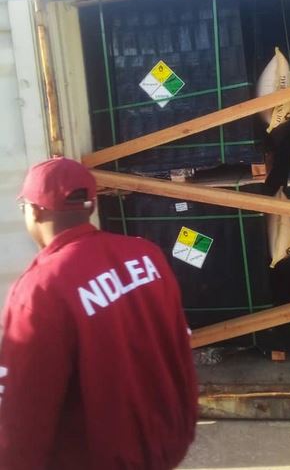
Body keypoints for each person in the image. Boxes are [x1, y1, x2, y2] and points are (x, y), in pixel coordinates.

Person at [0, 157, 198, 470]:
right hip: (163, 448)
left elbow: (23, 416)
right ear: (91, 206)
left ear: (34, 210)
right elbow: (179, 346)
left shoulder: (39, 291)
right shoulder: (146, 256)